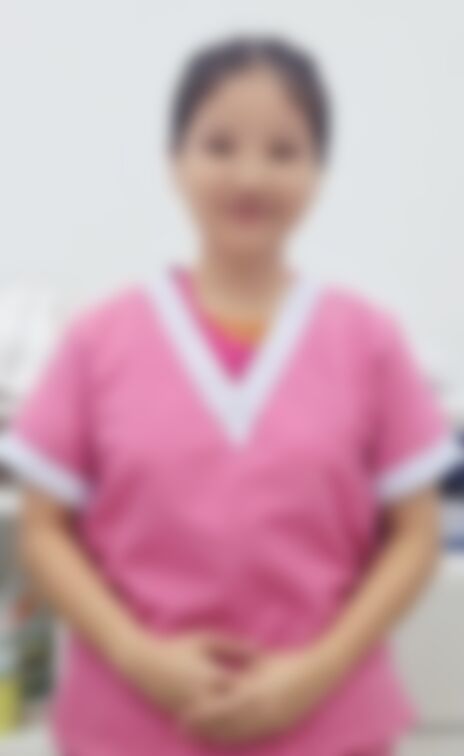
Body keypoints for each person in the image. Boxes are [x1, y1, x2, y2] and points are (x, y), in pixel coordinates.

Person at [0, 35, 460, 756]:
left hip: (326, 723)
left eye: (284, 151)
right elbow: (42, 527)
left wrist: (316, 673)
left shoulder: (369, 343)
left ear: (318, 171)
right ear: (175, 160)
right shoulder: (98, 342)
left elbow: (417, 535)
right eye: (219, 145)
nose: (251, 175)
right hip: (130, 723)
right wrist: (137, 657)